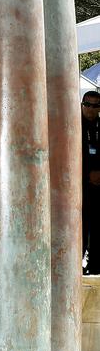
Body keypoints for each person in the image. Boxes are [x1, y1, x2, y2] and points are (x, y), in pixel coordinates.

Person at [82, 89, 100, 275]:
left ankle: (95, 265)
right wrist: (88, 174)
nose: (91, 109)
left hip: (97, 187)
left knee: (96, 228)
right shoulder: (74, 125)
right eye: (87, 104)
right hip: (79, 188)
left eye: (95, 106)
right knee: (80, 226)